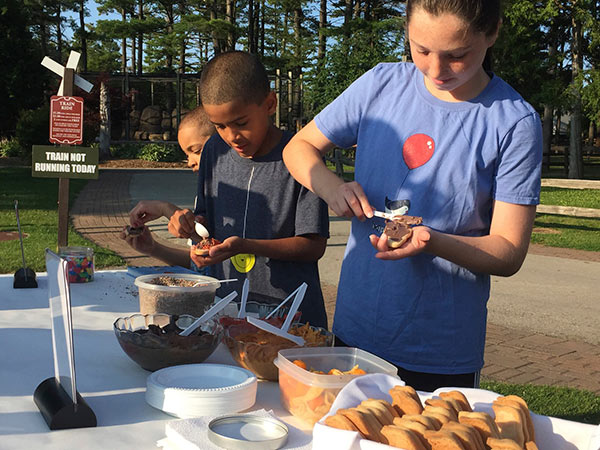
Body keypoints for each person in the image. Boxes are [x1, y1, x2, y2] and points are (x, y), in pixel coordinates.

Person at [282, 0, 542, 391]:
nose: (436, 71)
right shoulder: (380, 84)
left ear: (492, 33)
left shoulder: (514, 122)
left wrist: (431, 241)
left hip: (440, 350)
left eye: (457, 55)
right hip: (356, 329)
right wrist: (330, 186)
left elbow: (508, 252)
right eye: (420, 50)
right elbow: (299, 148)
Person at [167, 51, 330, 329]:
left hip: (291, 318)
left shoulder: (301, 156)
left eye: (241, 123)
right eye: (219, 126)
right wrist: (191, 229)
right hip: (225, 311)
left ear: (269, 103)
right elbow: (205, 220)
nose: (232, 137)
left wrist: (244, 245)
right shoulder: (213, 152)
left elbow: (313, 245)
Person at [119, 105, 215, 269]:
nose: (190, 162)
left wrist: (167, 210)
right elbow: (203, 261)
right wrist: (154, 249)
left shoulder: (237, 194)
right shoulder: (206, 191)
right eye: (186, 155)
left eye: (197, 151)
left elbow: (225, 257)